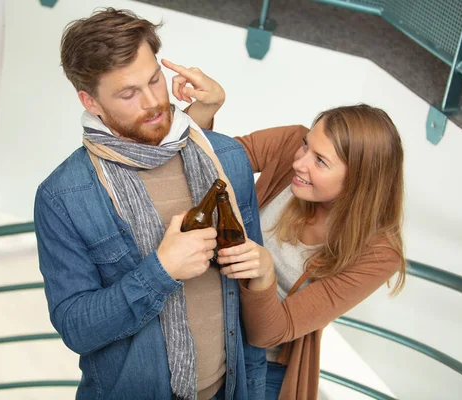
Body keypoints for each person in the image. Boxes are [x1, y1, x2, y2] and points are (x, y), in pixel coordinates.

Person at [34, 8, 266, 400]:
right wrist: (161, 271)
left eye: (155, 79)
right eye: (129, 93)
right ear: (90, 101)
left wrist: (263, 268)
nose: (154, 101)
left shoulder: (225, 158)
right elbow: (76, 327)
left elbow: (249, 295)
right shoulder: (62, 197)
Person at [212, 105, 406, 399]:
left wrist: (264, 275)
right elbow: (210, 162)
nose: (299, 163)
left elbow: (269, 333)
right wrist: (205, 110)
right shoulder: (291, 143)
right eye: (306, 146)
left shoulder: (378, 254)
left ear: (358, 181)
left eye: (320, 161)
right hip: (211, 322)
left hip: (264, 362)